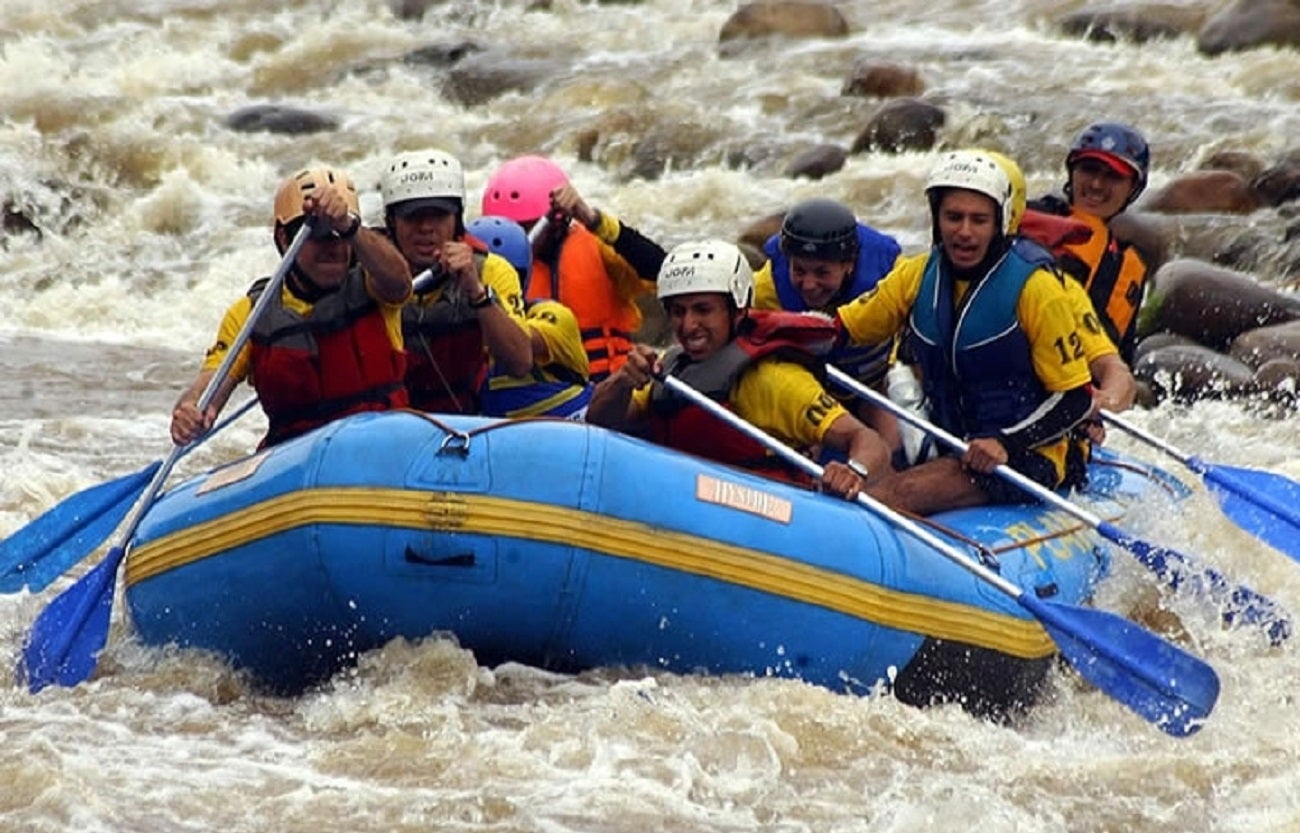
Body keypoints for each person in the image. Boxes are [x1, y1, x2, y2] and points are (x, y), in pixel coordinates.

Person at [834, 150, 1093, 516]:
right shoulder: (918, 273)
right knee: (858, 477)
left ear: (999, 224)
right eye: (953, 217)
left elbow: (1076, 399)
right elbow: (843, 329)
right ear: (937, 220)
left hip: (1026, 457)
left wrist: (1006, 442)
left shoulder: (1036, 289)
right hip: (946, 441)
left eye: (979, 220)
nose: (965, 232)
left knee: (897, 494)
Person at [587, 239, 893, 499]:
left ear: (736, 311)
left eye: (703, 310)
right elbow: (599, 420)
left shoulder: (773, 379)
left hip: (768, 519)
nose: (689, 325)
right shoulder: (669, 367)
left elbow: (866, 439)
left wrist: (853, 471)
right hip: (682, 508)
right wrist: (622, 383)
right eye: (678, 312)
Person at [170, 167, 412, 449]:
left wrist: (349, 225)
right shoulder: (250, 314)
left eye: (339, 235)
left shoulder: (375, 284)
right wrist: (189, 409)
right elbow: (209, 385)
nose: (332, 247)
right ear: (284, 238)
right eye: (318, 234)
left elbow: (400, 282)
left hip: (384, 447)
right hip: (297, 461)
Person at [481, 155, 667, 382]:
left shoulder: (596, 246)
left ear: (558, 219)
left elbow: (663, 271)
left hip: (612, 388)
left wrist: (593, 220)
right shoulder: (489, 268)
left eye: (529, 227)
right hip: (546, 397)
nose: (520, 239)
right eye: (510, 229)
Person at [381, 149, 533, 414]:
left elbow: (520, 362)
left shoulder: (491, 270)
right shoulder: (369, 273)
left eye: (438, 215)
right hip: (392, 422)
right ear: (391, 222)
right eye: (413, 216)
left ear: (457, 220)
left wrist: (476, 292)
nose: (426, 228)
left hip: (465, 420)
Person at [752, 197, 904, 458]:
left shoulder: (891, 275)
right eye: (799, 271)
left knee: (893, 442)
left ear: (849, 264)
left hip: (873, 386)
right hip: (813, 389)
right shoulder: (768, 287)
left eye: (822, 273)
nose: (809, 284)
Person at [1027, 122, 1151, 363]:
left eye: (1113, 176)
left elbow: (1123, 355)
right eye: (1089, 170)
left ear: (1133, 188)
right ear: (1072, 172)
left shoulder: (1131, 264)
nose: (1096, 184)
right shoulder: (1032, 217)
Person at [468, 215, 593, 419]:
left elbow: (519, 344)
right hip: (501, 436)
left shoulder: (555, 316)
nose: (497, 285)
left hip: (571, 429)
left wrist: (482, 299)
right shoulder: (454, 325)